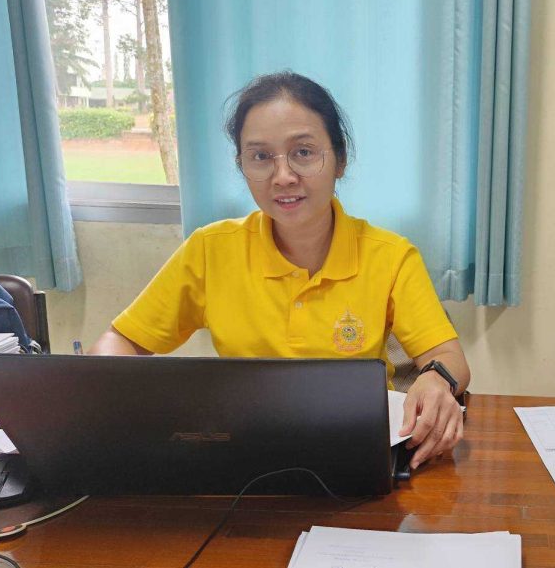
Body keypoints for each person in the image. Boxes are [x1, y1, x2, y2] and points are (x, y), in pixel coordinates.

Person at [90, 71, 470, 469]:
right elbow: (118, 341)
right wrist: (121, 391)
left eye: (303, 152)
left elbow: (450, 357)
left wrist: (436, 378)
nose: (283, 177)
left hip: (352, 454)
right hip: (242, 454)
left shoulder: (390, 257)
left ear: (340, 159)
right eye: (260, 157)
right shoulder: (209, 250)